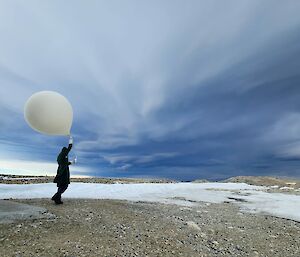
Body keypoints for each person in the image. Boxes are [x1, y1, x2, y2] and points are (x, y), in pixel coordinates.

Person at [52, 135, 74, 204]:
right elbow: (69, 148)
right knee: (64, 186)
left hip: (60, 173)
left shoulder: (60, 157)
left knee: (61, 186)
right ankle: (56, 197)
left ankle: (57, 199)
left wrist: (71, 162)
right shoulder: (63, 155)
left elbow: (65, 163)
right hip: (63, 174)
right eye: (66, 153)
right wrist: (71, 140)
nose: (67, 154)